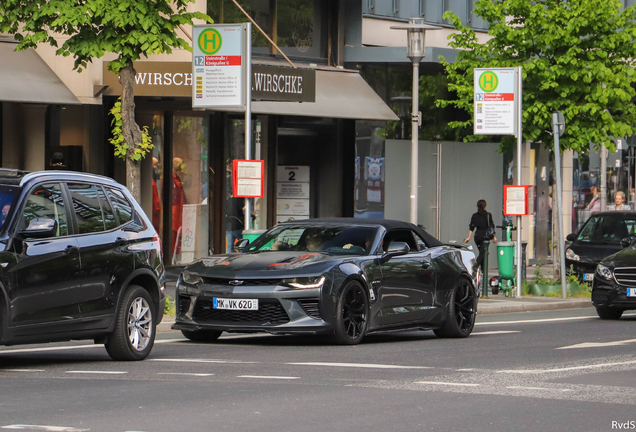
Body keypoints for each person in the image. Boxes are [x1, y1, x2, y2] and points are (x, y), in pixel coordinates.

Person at [464, 199, 496, 269]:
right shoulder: (488, 215)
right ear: (485, 206)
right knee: (483, 253)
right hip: (485, 236)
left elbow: (471, 227)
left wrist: (468, 237)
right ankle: (476, 265)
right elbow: (491, 226)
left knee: (483, 252)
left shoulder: (475, 215)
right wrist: (494, 237)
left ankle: (483, 270)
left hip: (477, 236)